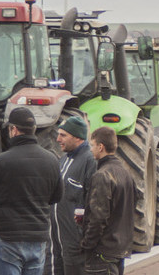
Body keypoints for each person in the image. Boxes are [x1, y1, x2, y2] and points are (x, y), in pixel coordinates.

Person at [0, 108, 64, 275]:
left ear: (14, 130)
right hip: (38, 239)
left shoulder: (2, 161)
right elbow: (57, 196)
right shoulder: (52, 160)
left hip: (8, 239)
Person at [80, 127, 136, 275]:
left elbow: (99, 217)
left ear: (101, 147)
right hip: (119, 249)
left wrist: (87, 244)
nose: (91, 150)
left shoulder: (102, 175)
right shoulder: (126, 174)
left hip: (102, 252)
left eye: (92, 145)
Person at [48, 117, 97, 275]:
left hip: (75, 242)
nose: (58, 139)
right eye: (58, 134)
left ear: (77, 137)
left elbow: (94, 200)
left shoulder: (89, 161)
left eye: (63, 135)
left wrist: (84, 235)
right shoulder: (63, 160)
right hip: (58, 240)